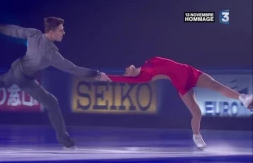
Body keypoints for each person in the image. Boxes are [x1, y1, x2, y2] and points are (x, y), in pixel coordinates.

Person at [0, 17, 111, 149]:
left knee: (2, 83)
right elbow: (73, 69)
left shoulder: (34, 34)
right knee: (50, 102)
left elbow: (14, 30)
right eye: (60, 30)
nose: (63, 32)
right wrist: (97, 74)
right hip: (21, 75)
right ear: (51, 32)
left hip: (22, 71)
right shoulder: (51, 55)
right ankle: (65, 141)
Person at [106, 56, 253, 149]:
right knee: (197, 112)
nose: (127, 69)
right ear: (129, 76)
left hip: (189, 71)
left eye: (126, 68)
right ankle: (196, 136)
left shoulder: (149, 61)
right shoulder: (142, 77)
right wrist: (103, 76)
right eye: (125, 72)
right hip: (181, 84)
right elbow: (119, 79)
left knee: (216, 86)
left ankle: (243, 99)